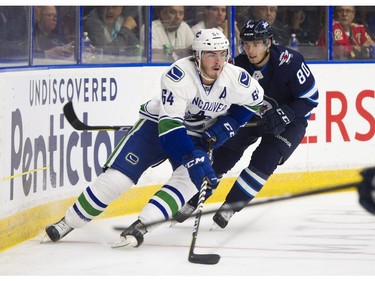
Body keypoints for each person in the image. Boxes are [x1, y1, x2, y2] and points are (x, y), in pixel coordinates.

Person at [43, 28, 264, 245]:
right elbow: (170, 130)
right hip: (157, 126)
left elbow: (255, 100)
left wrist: (232, 122)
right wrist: (192, 155)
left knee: (188, 181)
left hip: (198, 134)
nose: (218, 61)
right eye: (211, 54)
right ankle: (69, 222)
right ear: (197, 56)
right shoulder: (178, 76)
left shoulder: (236, 79)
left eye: (222, 54)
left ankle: (142, 226)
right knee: (117, 179)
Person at [173, 19, 319, 229]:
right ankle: (192, 200)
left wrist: (288, 113)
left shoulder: (290, 62)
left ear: (268, 43)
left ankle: (230, 207)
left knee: (265, 160)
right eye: (246, 44)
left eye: (257, 44)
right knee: (223, 156)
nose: (251, 50)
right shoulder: (236, 65)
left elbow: (311, 98)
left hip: (290, 122)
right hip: (249, 117)